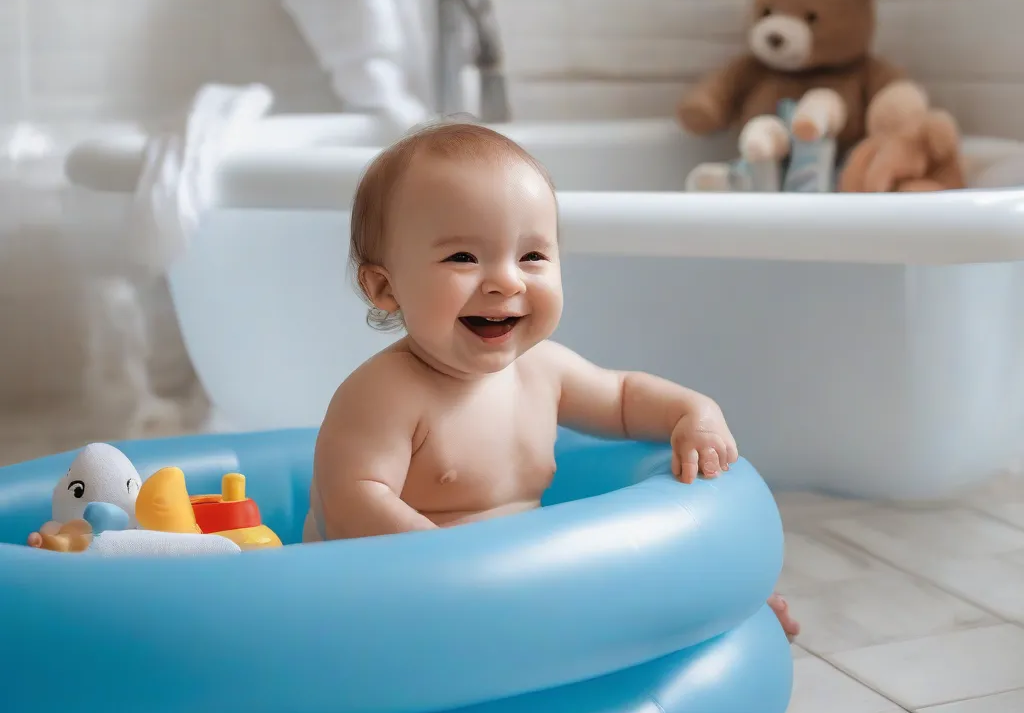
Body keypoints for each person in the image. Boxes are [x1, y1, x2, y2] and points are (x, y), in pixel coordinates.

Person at [304, 121, 798, 639]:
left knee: (638, 570)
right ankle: (690, 616)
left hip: (521, 586)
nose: (506, 281)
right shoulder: (385, 393)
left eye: (532, 256)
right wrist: (455, 571)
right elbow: (350, 505)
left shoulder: (544, 372)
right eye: (463, 257)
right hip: (419, 602)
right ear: (385, 287)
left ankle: (715, 603)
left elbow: (624, 398)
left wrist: (692, 414)